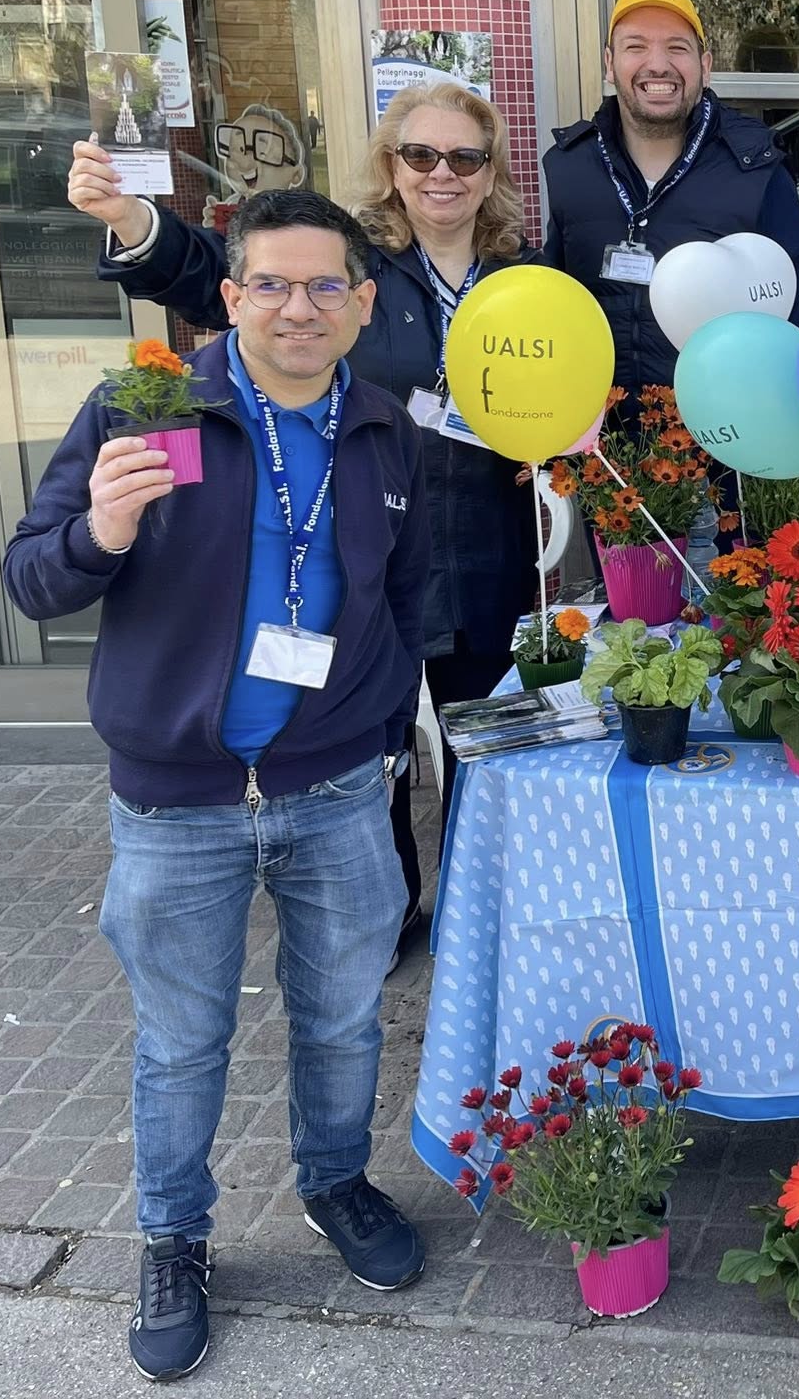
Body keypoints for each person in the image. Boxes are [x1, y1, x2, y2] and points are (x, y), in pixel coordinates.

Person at [3, 190, 432, 1382]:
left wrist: (385, 733)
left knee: (343, 1018)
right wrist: (97, 530)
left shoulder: (385, 429)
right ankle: (174, 1239)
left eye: (325, 287)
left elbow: (407, 595)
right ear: (231, 296)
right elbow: (34, 580)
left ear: (359, 305)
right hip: (176, 800)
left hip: (340, 789)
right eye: (274, 285)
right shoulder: (148, 404)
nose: (301, 307)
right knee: (183, 1041)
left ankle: (335, 1182)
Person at [67, 81, 537, 973]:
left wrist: (557, 453)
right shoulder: (347, 266)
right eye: (421, 155)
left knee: (485, 740)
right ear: (391, 166)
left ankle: (486, 914)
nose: (443, 174)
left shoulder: (522, 275)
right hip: (360, 531)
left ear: (491, 173)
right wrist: (135, 221)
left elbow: (564, 379)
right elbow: (221, 276)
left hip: (487, 538)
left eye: (465, 158)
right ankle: (387, 909)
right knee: (374, 735)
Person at [540, 0, 799, 395]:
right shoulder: (570, 167)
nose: (658, 65)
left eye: (677, 47)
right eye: (635, 46)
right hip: (597, 444)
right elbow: (555, 308)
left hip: (723, 443)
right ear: (609, 62)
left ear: (704, 66)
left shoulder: (756, 170)